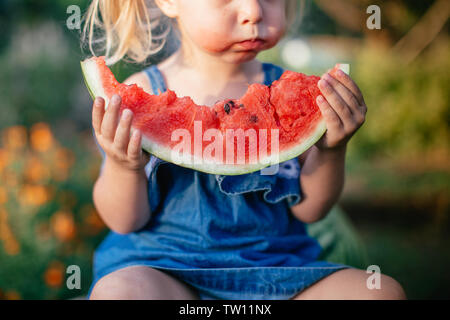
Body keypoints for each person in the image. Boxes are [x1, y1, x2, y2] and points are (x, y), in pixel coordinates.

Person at [83, 0, 406, 300]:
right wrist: (124, 166)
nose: (254, 11)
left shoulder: (292, 92)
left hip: (277, 272)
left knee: (381, 292)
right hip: (167, 272)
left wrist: (332, 150)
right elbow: (125, 221)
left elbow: (309, 211)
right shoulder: (142, 93)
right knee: (118, 292)